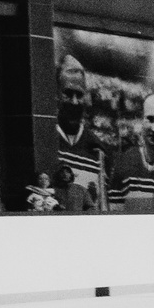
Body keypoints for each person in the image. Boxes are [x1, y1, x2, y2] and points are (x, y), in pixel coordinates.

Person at [53, 53, 103, 212]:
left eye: (79, 94)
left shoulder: (97, 148)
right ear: (56, 95)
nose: (74, 102)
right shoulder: (46, 141)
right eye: (68, 94)